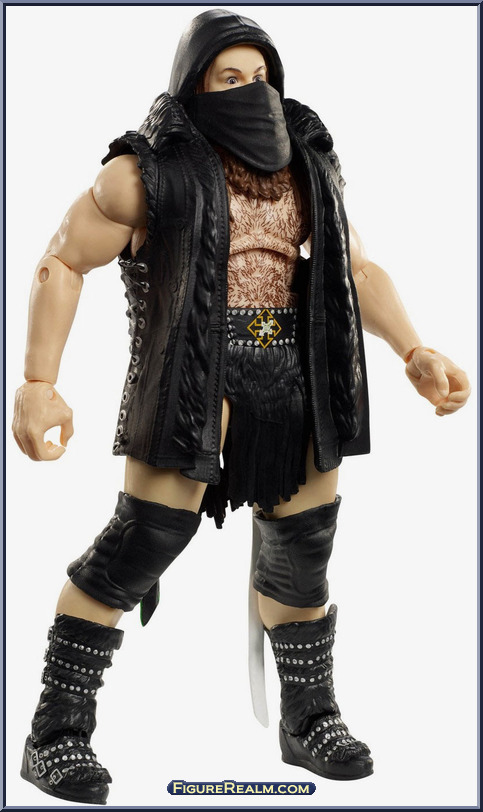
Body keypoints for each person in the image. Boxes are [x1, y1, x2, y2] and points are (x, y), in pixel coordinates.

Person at [12, 8, 470, 806]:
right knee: (140, 544)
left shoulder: (307, 169)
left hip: (296, 372)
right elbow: (63, 262)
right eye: (230, 78)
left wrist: (414, 350)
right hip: (194, 373)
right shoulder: (144, 173)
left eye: (261, 77)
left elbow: (355, 269)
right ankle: (56, 732)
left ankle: (309, 718)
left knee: (302, 553)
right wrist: (38, 381)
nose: (251, 92)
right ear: (195, 86)